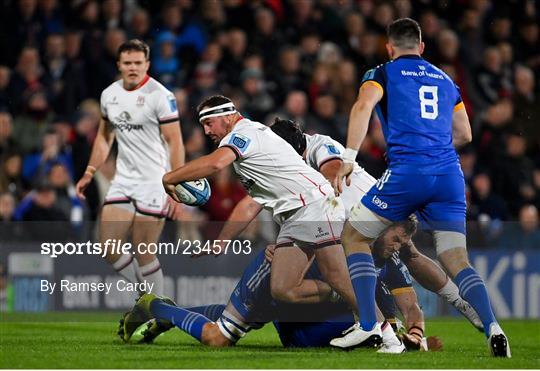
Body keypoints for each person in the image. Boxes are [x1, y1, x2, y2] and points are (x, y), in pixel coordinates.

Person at [161, 94, 405, 353]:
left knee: (336, 274)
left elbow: (215, 163)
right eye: (203, 125)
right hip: (294, 217)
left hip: (314, 205)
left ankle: (384, 334)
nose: (207, 130)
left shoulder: (245, 132)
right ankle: (355, 300)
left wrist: (169, 178)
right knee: (283, 288)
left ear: (229, 115)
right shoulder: (251, 144)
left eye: (210, 122)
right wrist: (221, 242)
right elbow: (248, 205)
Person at [330, 18, 509, 357]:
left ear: (389, 47)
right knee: (457, 259)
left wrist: (350, 156)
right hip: (450, 177)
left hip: (409, 171)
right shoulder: (446, 80)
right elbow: (465, 135)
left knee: (354, 236)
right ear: (422, 47)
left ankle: (369, 325)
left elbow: (363, 106)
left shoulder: (382, 72)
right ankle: (493, 328)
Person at [269, 118, 482, 332]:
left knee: (408, 253)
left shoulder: (320, 144)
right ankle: (382, 322)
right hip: (358, 220)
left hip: (377, 207)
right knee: (406, 253)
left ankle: (458, 302)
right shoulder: (291, 165)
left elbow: (333, 172)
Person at [121, 222, 442, 352]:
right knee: (218, 337)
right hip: (277, 275)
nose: (400, 245)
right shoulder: (344, 240)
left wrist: (414, 335)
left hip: (300, 308)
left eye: (406, 240)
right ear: (380, 228)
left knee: (243, 320)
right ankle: (156, 305)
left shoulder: (387, 259)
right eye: (398, 236)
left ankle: (169, 314)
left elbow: (410, 305)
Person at [75, 39, 185, 296]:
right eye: (128, 63)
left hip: (155, 181)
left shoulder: (161, 96)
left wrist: (176, 186)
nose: (133, 68)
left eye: (138, 63)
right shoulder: (109, 95)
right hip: (124, 180)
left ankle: (154, 309)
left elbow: (175, 141)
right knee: (108, 247)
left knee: (143, 250)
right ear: (119, 65)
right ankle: (147, 299)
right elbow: (104, 137)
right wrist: (90, 172)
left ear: (147, 64)